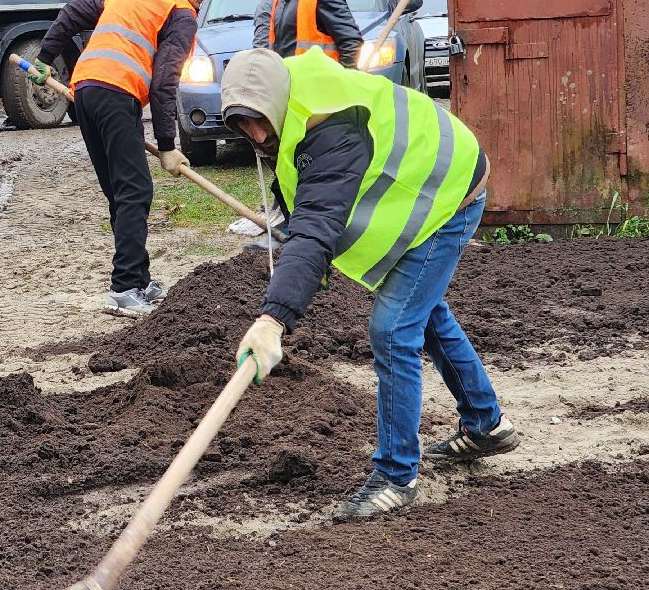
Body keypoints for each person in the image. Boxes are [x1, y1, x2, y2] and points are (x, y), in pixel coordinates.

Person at [221, 46, 518, 521]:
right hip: (420, 187)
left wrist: (273, 318)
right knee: (421, 312)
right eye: (242, 124)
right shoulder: (282, 96)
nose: (255, 135)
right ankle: (486, 424)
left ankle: (397, 477)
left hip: (448, 189)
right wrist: (300, 270)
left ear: (274, 100)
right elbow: (305, 212)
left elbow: (317, 226)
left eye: (258, 122)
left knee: (393, 327)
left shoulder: (331, 126)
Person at [34, 0, 221, 316]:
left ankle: (139, 278)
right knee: (135, 190)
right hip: (117, 93)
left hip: (85, 92)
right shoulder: (182, 13)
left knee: (120, 192)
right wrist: (167, 145)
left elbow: (72, 11)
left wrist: (44, 59)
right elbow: (165, 82)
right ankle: (123, 289)